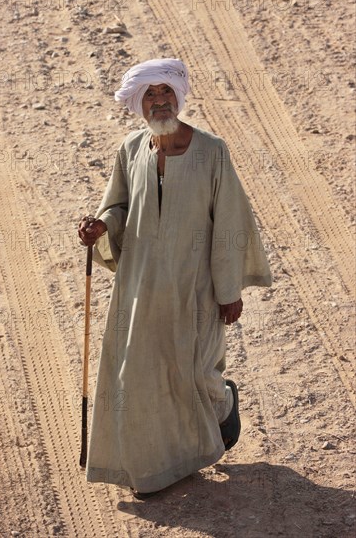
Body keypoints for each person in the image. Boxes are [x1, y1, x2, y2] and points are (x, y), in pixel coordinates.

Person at [78, 58, 272, 499]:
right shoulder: (131, 149)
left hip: (195, 285)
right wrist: (101, 226)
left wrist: (229, 290)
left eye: (166, 94)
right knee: (141, 374)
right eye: (151, 95)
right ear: (138, 103)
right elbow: (119, 206)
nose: (160, 101)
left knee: (195, 372)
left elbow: (228, 222)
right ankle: (154, 466)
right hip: (141, 285)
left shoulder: (211, 151)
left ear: (179, 98)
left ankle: (223, 404)